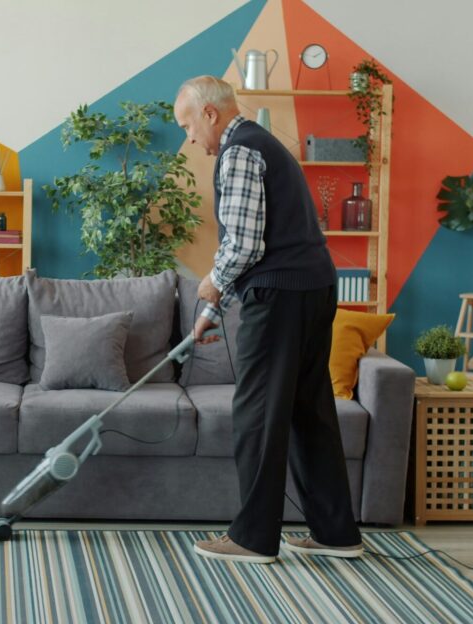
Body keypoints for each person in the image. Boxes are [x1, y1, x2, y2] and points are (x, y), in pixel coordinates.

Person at [175, 76, 363, 564]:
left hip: (280, 295)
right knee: (308, 411)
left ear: (210, 114)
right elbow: (260, 242)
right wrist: (211, 312)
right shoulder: (264, 144)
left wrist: (211, 283)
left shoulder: (239, 150)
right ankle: (336, 533)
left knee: (257, 412)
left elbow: (244, 244)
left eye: (188, 125)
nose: (190, 138)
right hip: (313, 288)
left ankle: (253, 538)